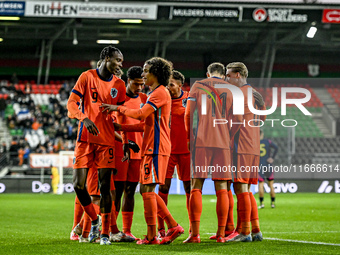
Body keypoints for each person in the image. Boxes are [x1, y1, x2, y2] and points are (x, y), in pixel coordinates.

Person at [100, 57, 184, 245]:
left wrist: (117, 108)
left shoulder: (158, 93)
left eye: (146, 71)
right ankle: (165, 229)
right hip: (153, 146)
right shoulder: (158, 92)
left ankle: (158, 233)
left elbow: (140, 114)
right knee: (147, 190)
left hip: (156, 148)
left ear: (156, 73)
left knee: (146, 190)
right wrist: (122, 128)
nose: (143, 74)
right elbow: (146, 124)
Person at [67, 45, 129, 245]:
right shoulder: (87, 76)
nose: (120, 64)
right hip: (85, 139)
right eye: (117, 60)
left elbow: (118, 113)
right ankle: (94, 219)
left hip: (105, 142)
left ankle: (104, 234)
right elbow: (71, 103)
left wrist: (123, 138)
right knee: (78, 184)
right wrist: (83, 117)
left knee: (105, 189)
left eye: (121, 61)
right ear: (105, 57)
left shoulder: (119, 84)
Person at [183, 62, 241, 243]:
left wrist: (188, 137)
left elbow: (188, 115)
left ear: (208, 73)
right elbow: (238, 120)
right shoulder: (233, 90)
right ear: (223, 75)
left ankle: (195, 235)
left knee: (196, 185)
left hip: (201, 140)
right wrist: (228, 136)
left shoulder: (198, 85)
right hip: (223, 143)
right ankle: (222, 235)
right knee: (222, 188)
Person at [225, 62, 265, 242]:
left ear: (238, 75)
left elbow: (238, 120)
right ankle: (255, 230)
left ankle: (245, 232)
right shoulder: (255, 93)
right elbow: (262, 118)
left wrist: (227, 136)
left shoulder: (239, 94)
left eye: (229, 75)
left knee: (240, 187)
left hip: (240, 145)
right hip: (254, 146)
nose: (227, 78)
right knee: (247, 188)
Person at [112, 66, 147, 240]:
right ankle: (112, 229)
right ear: (128, 81)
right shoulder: (119, 99)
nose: (139, 88)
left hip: (139, 152)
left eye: (142, 84)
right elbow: (110, 125)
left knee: (131, 191)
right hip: (122, 151)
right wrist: (124, 141)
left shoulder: (144, 99)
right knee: (117, 191)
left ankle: (126, 230)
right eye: (136, 84)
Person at [157, 70, 191, 239]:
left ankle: (194, 229)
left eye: (171, 84)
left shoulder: (190, 98)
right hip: (167, 151)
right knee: (163, 188)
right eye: (167, 84)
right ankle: (161, 228)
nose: (168, 87)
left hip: (187, 152)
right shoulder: (163, 99)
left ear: (180, 85)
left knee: (189, 189)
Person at [258, 130, 278, 209]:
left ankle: (262, 203)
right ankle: (272, 203)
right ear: (262, 134)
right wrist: (272, 158)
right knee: (271, 185)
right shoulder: (267, 141)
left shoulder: (254, 142)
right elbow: (276, 148)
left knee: (261, 185)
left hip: (260, 165)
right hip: (268, 165)